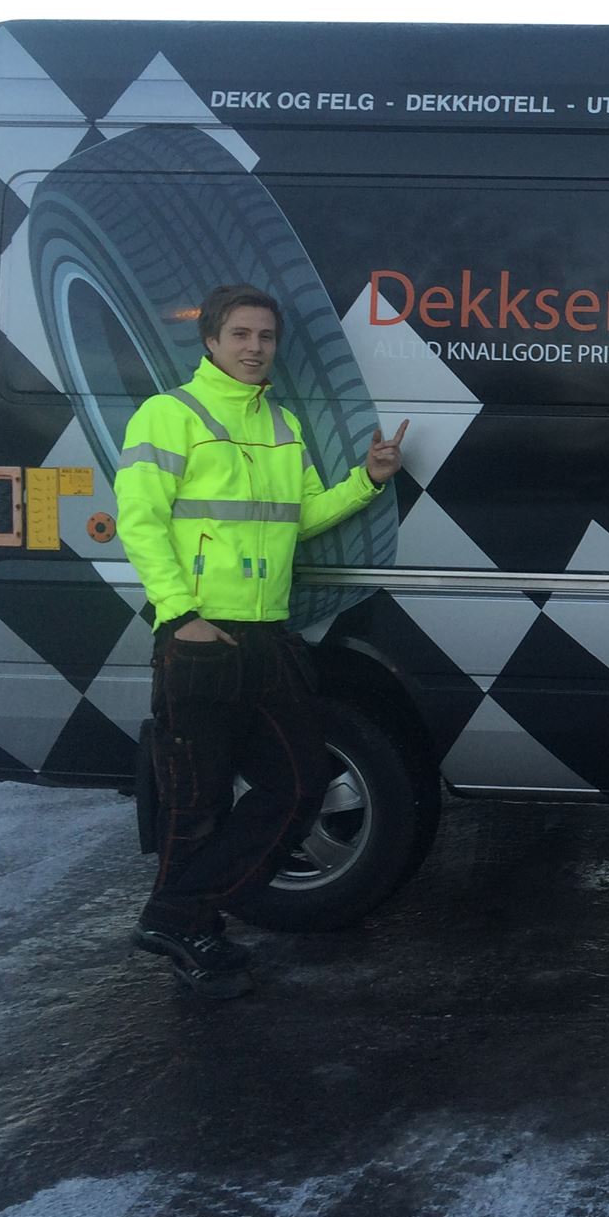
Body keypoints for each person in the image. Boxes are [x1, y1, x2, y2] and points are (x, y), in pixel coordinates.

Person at [115, 283, 406, 999]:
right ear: (211, 340)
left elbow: (299, 517)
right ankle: (193, 931)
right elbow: (140, 522)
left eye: (265, 337)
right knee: (196, 800)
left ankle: (175, 916)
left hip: (267, 635)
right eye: (241, 335)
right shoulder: (169, 415)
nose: (254, 348)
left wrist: (366, 482)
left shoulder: (280, 423)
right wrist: (181, 615)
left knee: (300, 782)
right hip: (199, 638)